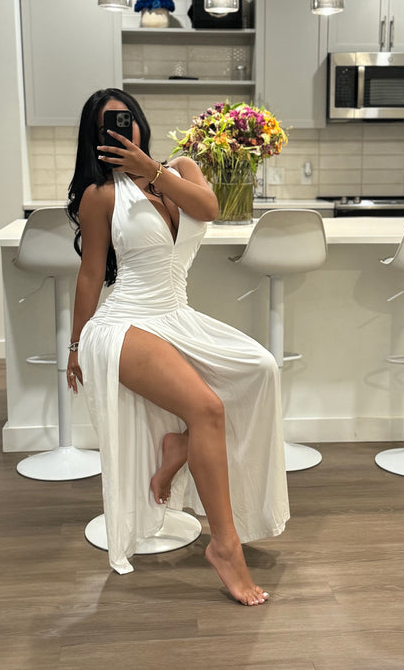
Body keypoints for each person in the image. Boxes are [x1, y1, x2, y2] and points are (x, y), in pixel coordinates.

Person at [66, 88, 289, 606]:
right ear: (95, 138)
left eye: (125, 119)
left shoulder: (182, 168)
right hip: (124, 322)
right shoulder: (101, 195)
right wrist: (75, 344)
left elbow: (209, 208)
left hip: (177, 315)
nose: (120, 129)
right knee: (208, 408)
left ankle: (179, 448)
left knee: (261, 368)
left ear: (140, 123)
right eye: (107, 124)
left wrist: (152, 170)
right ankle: (225, 546)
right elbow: (91, 274)